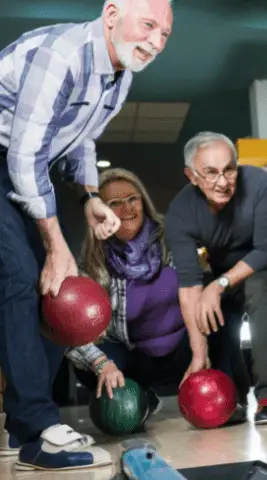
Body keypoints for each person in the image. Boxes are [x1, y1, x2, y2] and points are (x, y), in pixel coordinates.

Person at [0, 0, 173, 467]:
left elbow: (80, 138)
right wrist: (56, 244)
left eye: (165, 35)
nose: (157, 42)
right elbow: (24, 155)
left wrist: (89, 197)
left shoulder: (120, 74)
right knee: (20, 276)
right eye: (149, 25)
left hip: (25, 167)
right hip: (12, 160)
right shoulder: (63, 55)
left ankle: (22, 429)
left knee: (54, 293)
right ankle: (37, 431)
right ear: (112, 14)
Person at [65, 168, 249, 424]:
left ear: (144, 202)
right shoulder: (92, 263)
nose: (126, 208)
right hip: (134, 359)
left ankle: (226, 397)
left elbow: (202, 280)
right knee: (89, 361)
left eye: (132, 199)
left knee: (223, 313)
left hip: (183, 350)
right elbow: (72, 329)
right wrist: (100, 364)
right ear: (100, 213)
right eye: (114, 204)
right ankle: (142, 399)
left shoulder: (174, 237)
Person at [165, 132, 267, 425]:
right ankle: (232, 396)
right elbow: (189, 286)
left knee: (256, 289)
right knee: (214, 312)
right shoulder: (180, 213)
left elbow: (265, 250)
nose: (223, 182)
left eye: (229, 169)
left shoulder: (259, 183)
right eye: (211, 173)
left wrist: (220, 283)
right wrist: (198, 354)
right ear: (192, 176)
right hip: (226, 262)